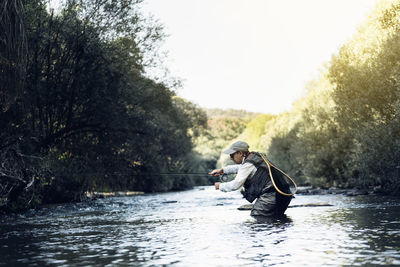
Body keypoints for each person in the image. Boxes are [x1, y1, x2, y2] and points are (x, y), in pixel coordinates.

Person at [209, 140, 292, 217]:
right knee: (276, 220)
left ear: (240, 153)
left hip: (272, 196)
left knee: (257, 217)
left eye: (232, 155)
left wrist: (220, 186)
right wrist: (223, 170)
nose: (231, 158)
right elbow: (242, 168)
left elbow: (235, 185)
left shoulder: (248, 164)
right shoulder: (255, 158)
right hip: (284, 194)